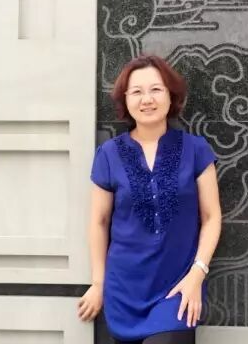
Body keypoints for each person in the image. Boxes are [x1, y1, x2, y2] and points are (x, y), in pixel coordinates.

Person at [77, 55, 222, 343]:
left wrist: (198, 274)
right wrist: (98, 284)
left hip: (178, 288)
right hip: (123, 290)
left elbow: (211, 216)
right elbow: (99, 221)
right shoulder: (109, 154)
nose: (147, 99)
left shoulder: (196, 150)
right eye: (137, 92)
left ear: (170, 95)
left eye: (156, 89)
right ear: (126, 99)